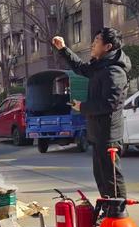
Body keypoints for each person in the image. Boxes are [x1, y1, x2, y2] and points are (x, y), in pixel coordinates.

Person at [52, 28, 131, 198]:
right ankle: (109, 211)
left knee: (111, 178)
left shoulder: (114, 71)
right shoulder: (100, 66)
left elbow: (109, 103)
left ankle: (118, 214)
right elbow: (80, 68)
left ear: (108, 46)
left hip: (108, 135)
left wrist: (83, 107)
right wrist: (63, 49)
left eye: (96, 42)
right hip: (98, 133)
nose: (92, 44)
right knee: (101, 177)